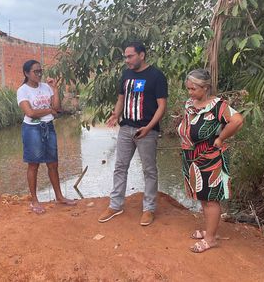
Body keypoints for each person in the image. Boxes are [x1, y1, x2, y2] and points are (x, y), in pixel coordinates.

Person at [97, 41, 168, 226]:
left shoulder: (156, 76)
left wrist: (149, 127)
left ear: (142, 55)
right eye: (125, 57)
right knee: (120, 167)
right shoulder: (126, 74)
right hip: (126, 128)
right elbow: (121, 98)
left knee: (149, 170)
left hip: (147, 131)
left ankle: (149, 209)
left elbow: (162, 106)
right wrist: (115, 114)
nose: (127, 60)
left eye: (130, 56)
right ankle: (115, 205)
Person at [177, 68, 243, 252]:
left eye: (193, 89)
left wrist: (220, 138)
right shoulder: (191, 103)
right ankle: (208, 231)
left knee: (211, 199)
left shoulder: (218, 105)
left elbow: (237, 120)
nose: (190, 92)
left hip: (210, 159)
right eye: (188, 88)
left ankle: (211, 238)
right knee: (203, 198)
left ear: (205, 88)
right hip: (192, 158)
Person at [17, 59, 76, 214]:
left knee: (53, 163)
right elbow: (30, 113)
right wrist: (49, 111)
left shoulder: (46, 87)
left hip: (48, 127)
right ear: (26, 73)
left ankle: (59, 196)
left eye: (40, 71)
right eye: (35, 71)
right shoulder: (22, 90)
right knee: (33, 164)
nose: (39, 74)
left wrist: (55, 89)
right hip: (32, 129)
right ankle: (34, 201)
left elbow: (57, 108)